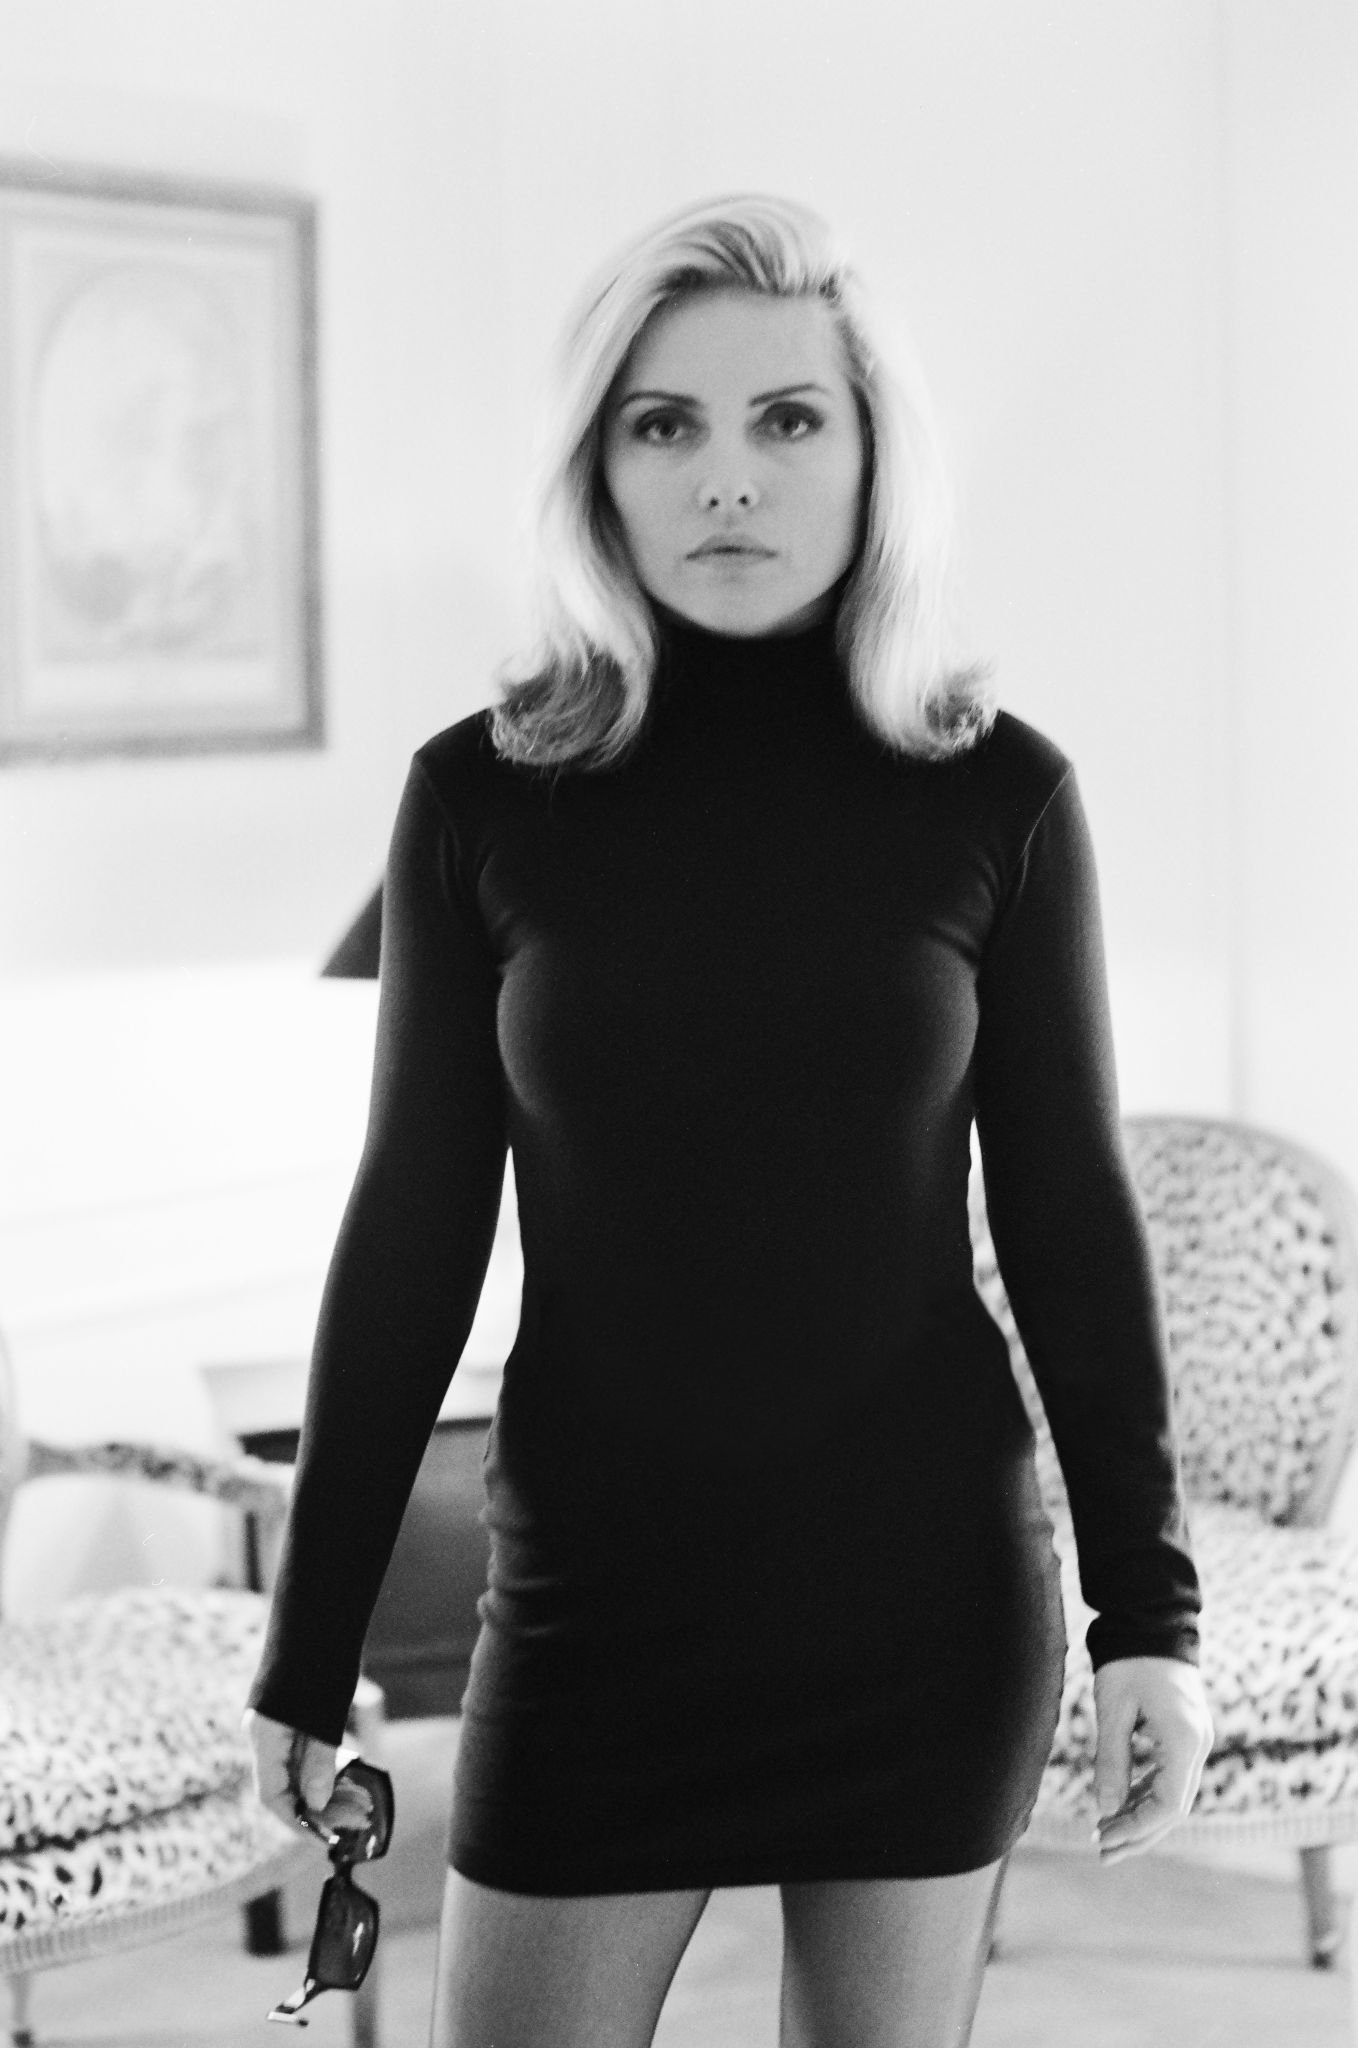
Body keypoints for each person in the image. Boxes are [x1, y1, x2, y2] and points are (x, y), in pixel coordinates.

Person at [245, 192, 1213, 2048]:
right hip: (593, 1607)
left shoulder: (995, 795)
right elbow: (414, 1229)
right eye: (662, 423)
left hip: (920, 1601)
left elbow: (1072, 1224)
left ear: (870, 455)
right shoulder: (481, 799)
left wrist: (1147, 1622)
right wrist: (310, 1642)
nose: (727, 478)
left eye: (786, 418)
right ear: (597, 468)